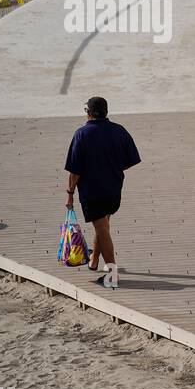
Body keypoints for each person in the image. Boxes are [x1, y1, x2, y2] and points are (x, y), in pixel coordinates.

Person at [63, 97, 141, 289]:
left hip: (93, 191)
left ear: (88, 112)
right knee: (103, 225)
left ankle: (112, 275)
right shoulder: (119, 130)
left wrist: (70, 193)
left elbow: (75, 171)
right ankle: (93, 260)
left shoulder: (81, 134)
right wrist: (114, 168)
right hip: (114, 189)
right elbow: (132, 158)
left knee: (102, 229)